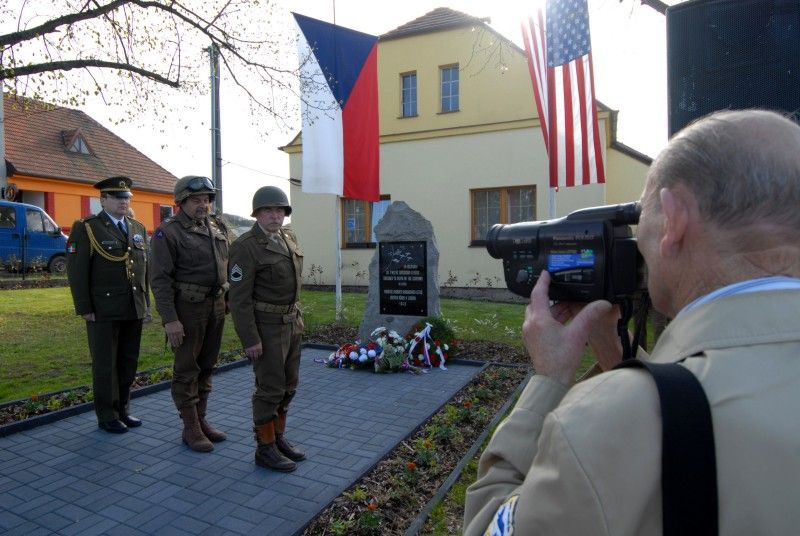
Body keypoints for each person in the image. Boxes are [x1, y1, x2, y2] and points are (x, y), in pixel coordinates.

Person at [463, 109, 800, 535]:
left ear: (674, 219)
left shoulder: (606, 422)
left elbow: (487, 526)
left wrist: (549, 378)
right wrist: (608, 337)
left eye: (644, 215)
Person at [149, 175, 234, 452]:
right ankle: (190, 427)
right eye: (196, 200)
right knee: (187, 369)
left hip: (216, 307)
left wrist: (229, 297)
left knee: (208, 365)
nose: (203, 205)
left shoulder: (217, 226)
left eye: (206, 200)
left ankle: (201, 419)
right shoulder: (168, 232)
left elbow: (228, 263)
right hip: (187, 310)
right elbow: (160, 280)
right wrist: (170, 319)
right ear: (181, 202)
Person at [228, 186, 306, 472]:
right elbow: (239, 300)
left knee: (289, 385)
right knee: (269, 388)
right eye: (268, 210)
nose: (275, 216)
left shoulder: (288, 237)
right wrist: (251, 339)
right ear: (257, 214)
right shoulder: (246, 246)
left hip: (291, 323)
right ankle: (265, 448)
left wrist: (297, 320)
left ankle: (278, 437)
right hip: (266, 328)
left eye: (280, 210)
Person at [66, 176, 149, 434]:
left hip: (132, 306)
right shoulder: (87, 228)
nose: (123, 202)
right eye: (117, 197)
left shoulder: (137, 227)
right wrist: (84, 307)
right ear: (102, 200)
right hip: (103, 308)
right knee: (105, 365)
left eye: (126, 198)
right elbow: (77, 271)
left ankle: (123, 409)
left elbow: (143, 270)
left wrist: (145, 303)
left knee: (128, 361)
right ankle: (107, 415)